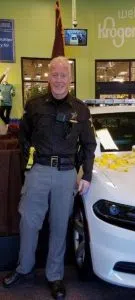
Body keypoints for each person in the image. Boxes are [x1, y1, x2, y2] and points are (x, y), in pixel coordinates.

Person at [2, 56, 97, 299]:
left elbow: (88, 144)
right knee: (29, 222)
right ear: (48, 77)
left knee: (58, 226)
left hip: (66, 175)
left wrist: (86, 174)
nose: (58, 79)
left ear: (69, 78)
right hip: (39, 172)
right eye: (54, 74)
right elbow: (23, 138)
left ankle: (54, 276)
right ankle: (24, 269)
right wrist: (28, 168)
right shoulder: (34, 106)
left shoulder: (80, 109)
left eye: (63, 74)